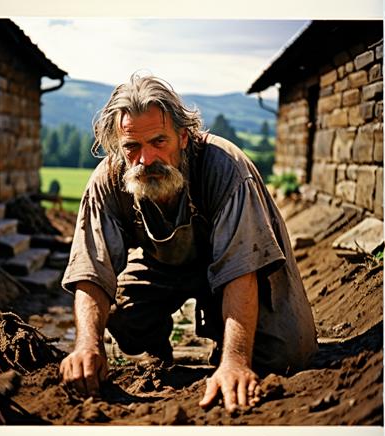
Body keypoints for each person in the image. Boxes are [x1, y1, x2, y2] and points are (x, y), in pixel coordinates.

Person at [59, 73, 318, 413]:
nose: (145, 160)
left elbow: (242, 266)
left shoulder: (225, 168)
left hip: (234, 267)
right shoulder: (107, 180)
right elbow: (91, 268)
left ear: (184, 136)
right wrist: (86, 345)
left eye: (158, 142)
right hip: (164, 267)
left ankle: (225, 350)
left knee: (286, 355)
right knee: (118, 313)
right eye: (132, 147)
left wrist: (236, 361)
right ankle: (158, 350)